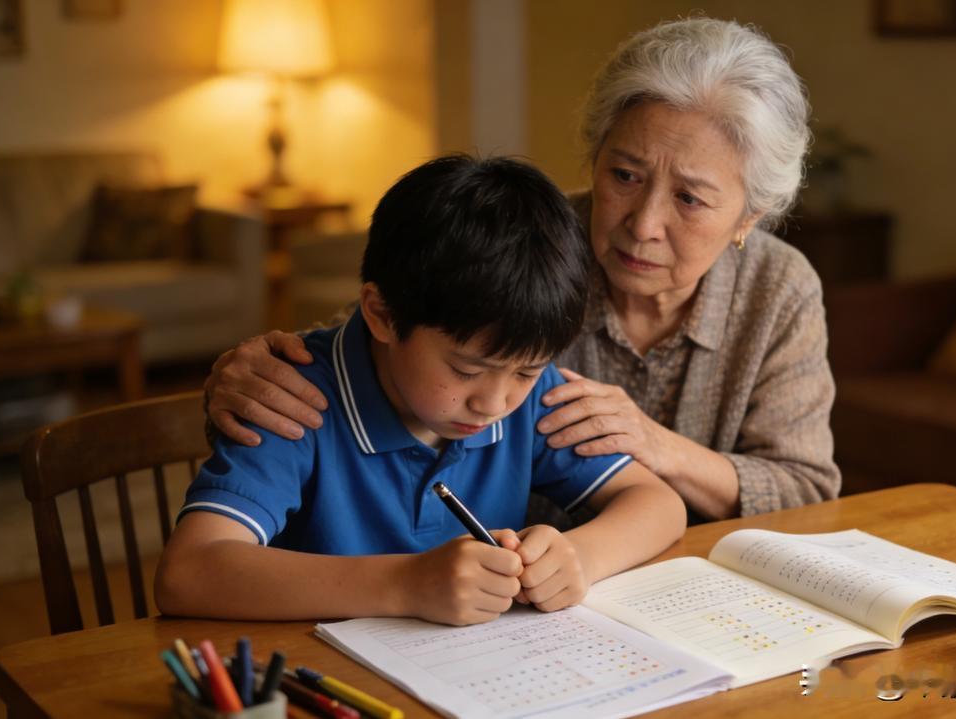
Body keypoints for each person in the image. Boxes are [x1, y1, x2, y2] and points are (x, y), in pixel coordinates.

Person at [201, 17, 838, 523]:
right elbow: (388, 338)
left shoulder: (778, 290)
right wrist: (259, 375)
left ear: (749, 216)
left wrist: (657, 446)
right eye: (624, 175)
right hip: (507, 599)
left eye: (690, 199)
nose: (643, 223)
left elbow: (808, 492)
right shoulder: (533, 243)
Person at [154, 156, 686, 626]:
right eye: (465, 370)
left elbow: (659, 503)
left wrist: (580, 556)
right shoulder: (292, 396)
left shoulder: (529, 394)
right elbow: (189, 571)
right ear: (382, 314)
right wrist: (406, 584)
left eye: (525, 373)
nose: (495, 403)